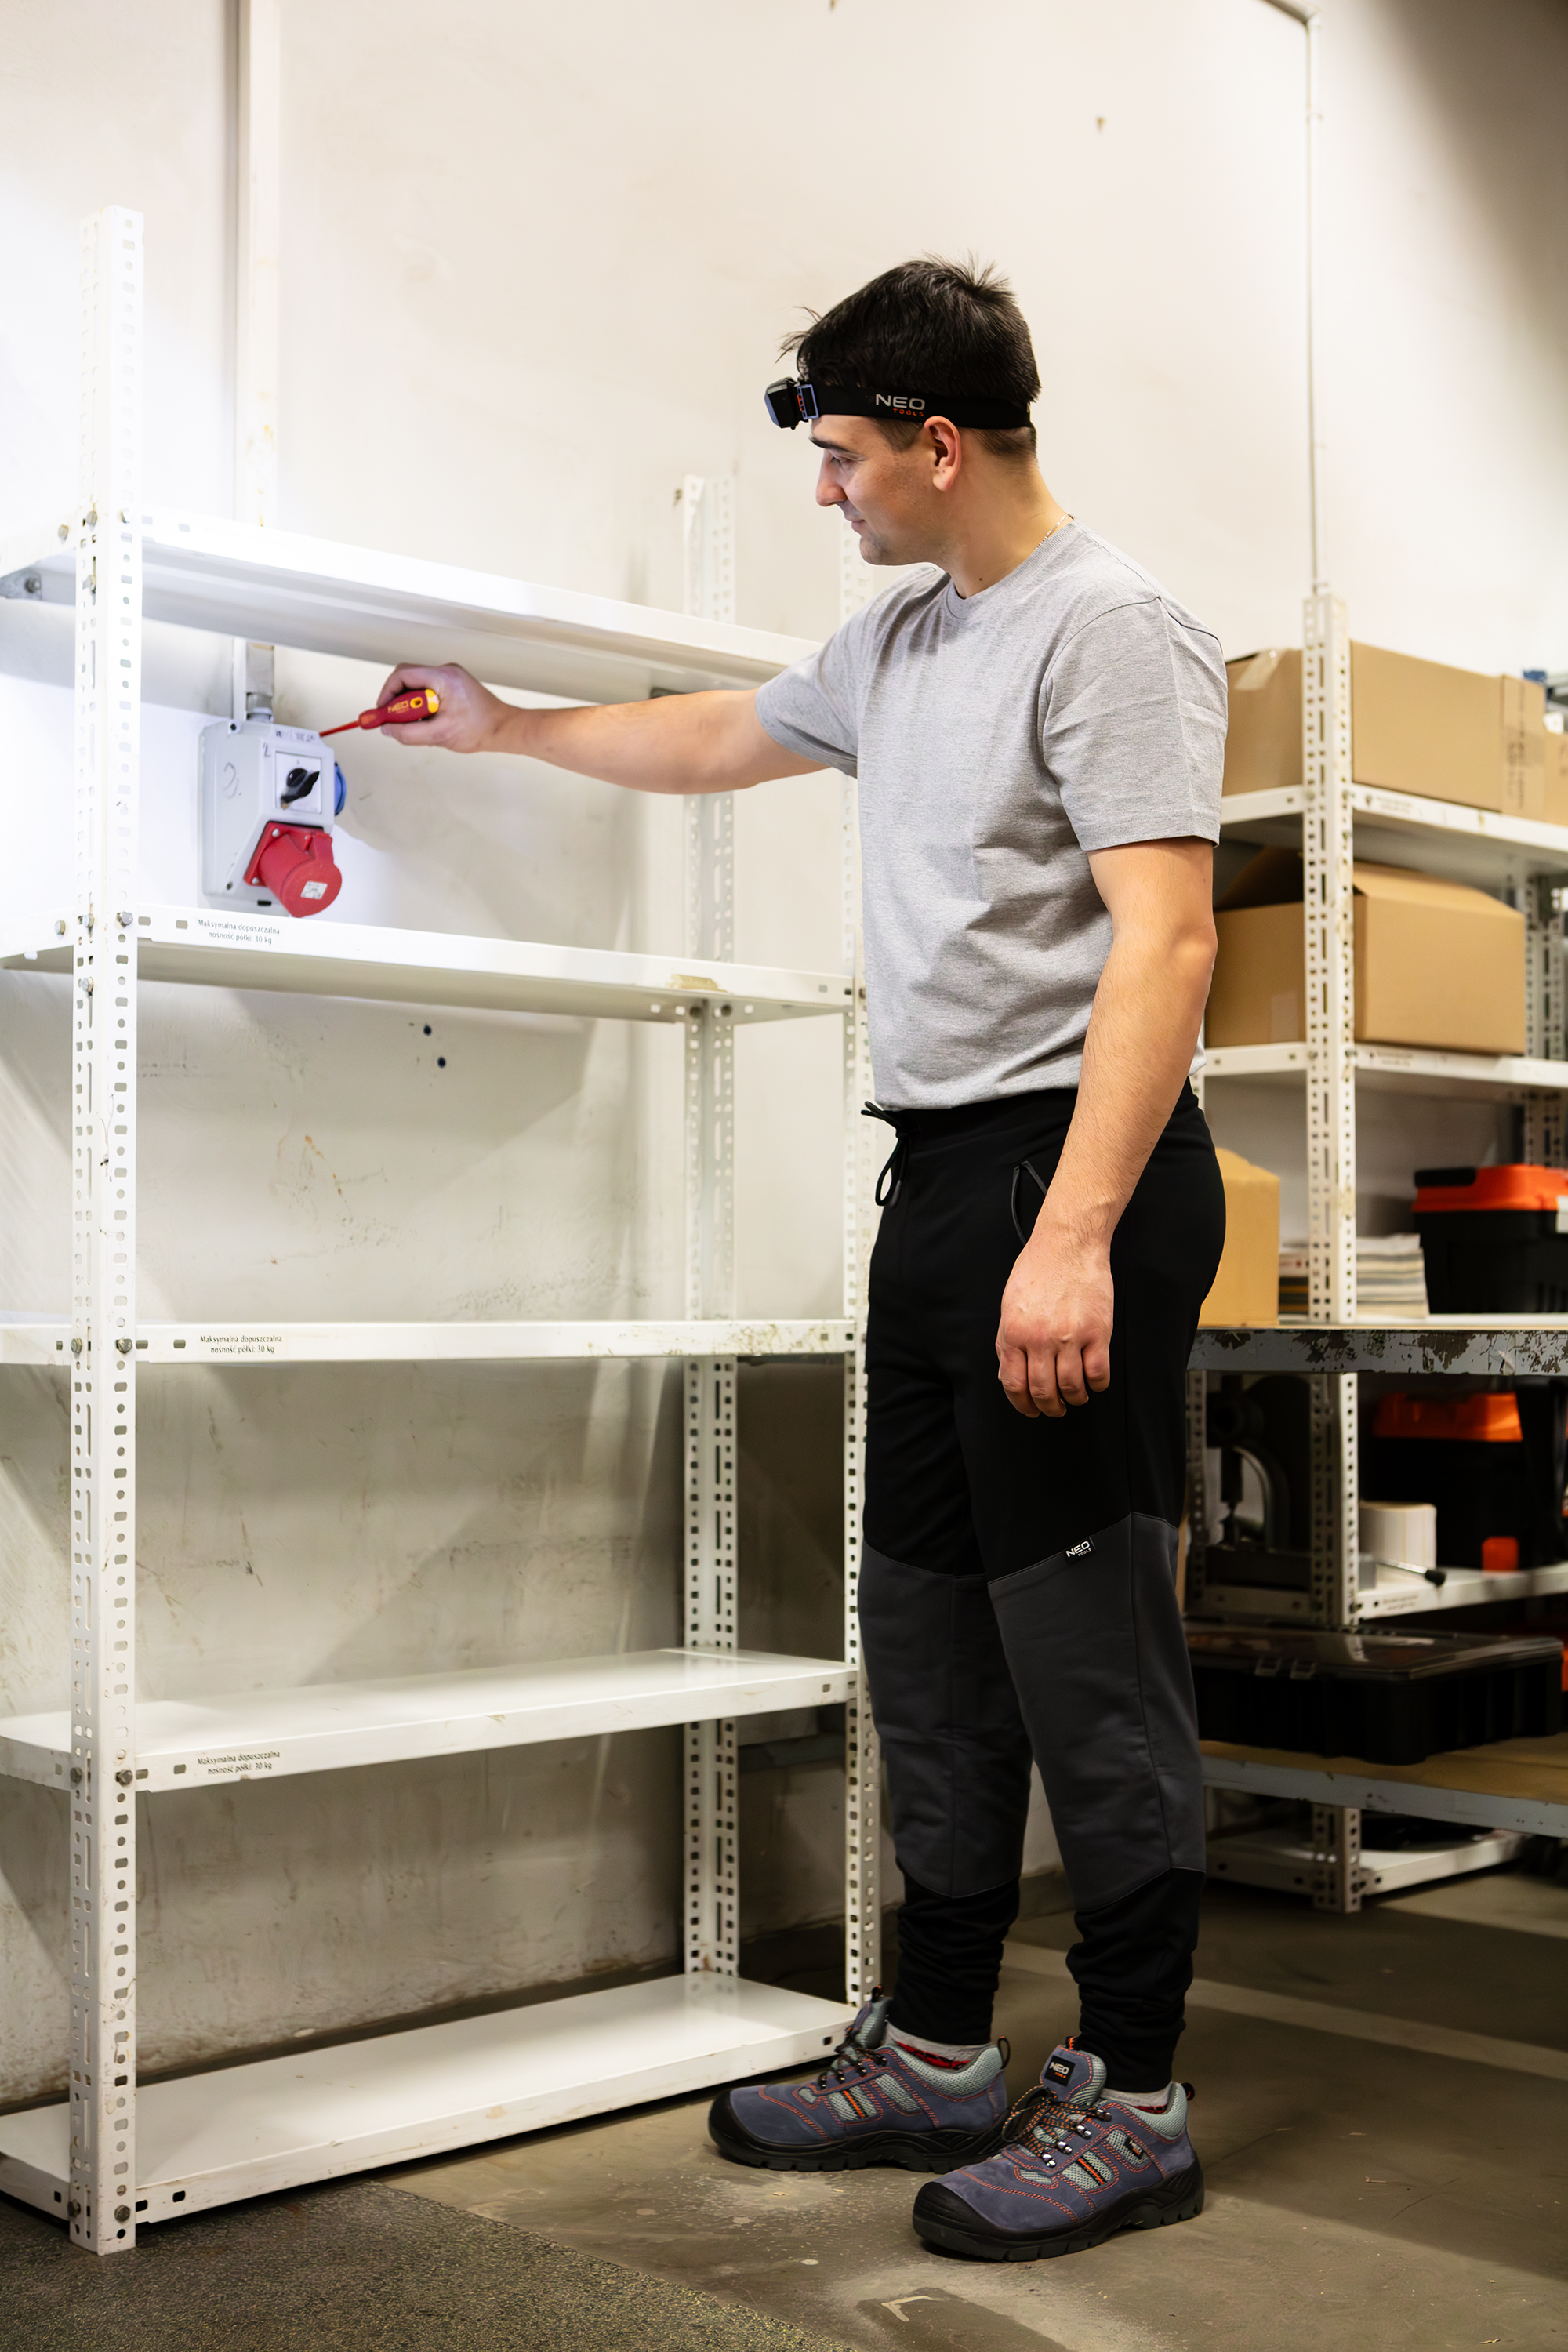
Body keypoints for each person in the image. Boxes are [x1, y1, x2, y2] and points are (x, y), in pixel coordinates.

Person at [376, 256, 1226, 2264]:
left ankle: (1134, 2094)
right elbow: (712, 734)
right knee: (925, 1639)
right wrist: (507, 731)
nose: (824, 490)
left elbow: (1170, 941)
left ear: (937, 444)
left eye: (842, 458)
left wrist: (1074, 1235)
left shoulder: (1111, 632)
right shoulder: (904, 635)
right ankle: (936, 2047)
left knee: (1083, 1655)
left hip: (1066, 1181)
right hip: (937, 1185)